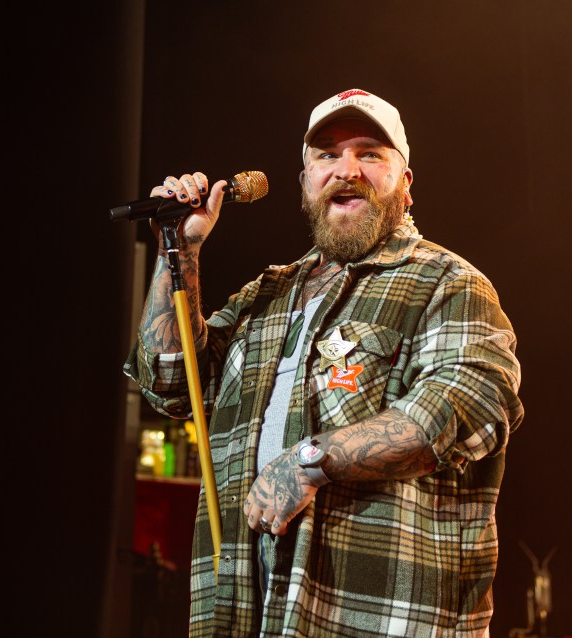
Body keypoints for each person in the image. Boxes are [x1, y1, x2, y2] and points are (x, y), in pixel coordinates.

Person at [124, 88, 524, 637]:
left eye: (370, 154)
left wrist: (310, 461)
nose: (347, 170)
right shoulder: (264, 296)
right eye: (327, 156)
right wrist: (181, 250)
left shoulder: (449, 284)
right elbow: (167, 382)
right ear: (305, 182)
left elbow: (462, 408)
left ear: (406, 185)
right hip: (242, 616)